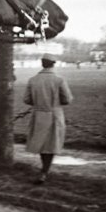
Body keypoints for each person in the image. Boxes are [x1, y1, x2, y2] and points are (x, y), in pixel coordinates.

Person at [23, 53, 74, 184]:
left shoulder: (33, 80)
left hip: (38, 115)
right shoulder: (59, 80)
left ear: (42, 63)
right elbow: (67, 99)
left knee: (42, 144)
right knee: (51, 144)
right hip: (54, 115)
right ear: (53, 64)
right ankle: (44, 172)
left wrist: (39, 102)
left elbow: (27, 99)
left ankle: (44, 171)